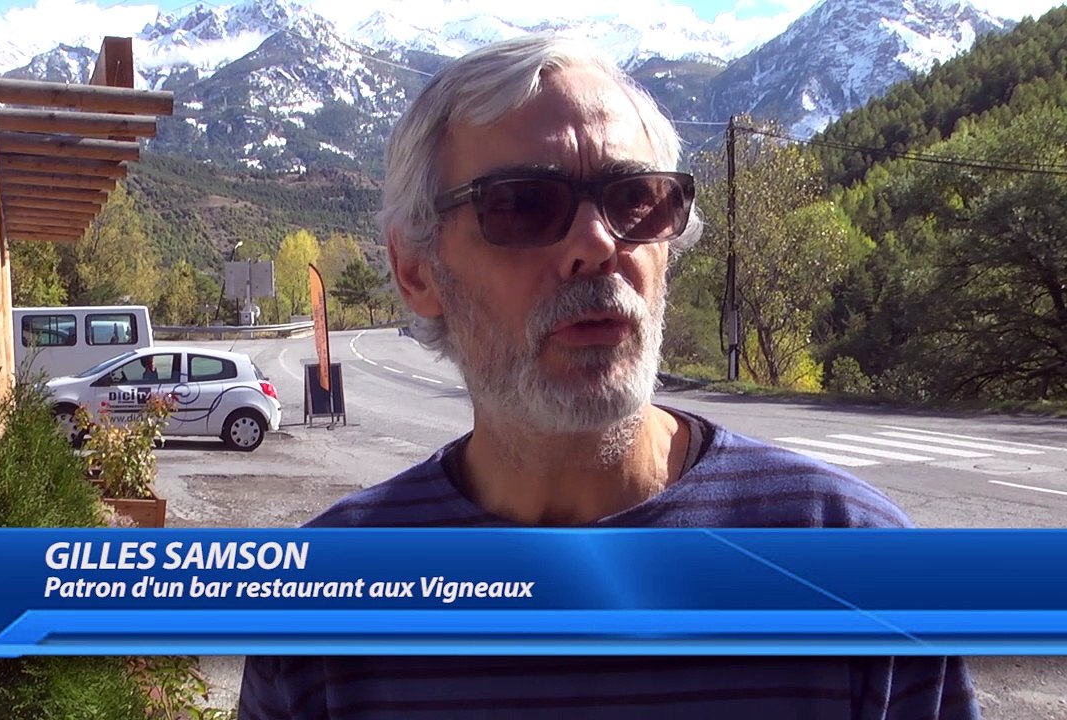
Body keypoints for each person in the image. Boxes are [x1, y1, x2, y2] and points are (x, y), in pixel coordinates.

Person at [238, 34, 980, 719]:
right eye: (524, 205)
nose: (596, 246)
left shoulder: (854, 559)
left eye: (635, 199)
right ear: (415, 270)